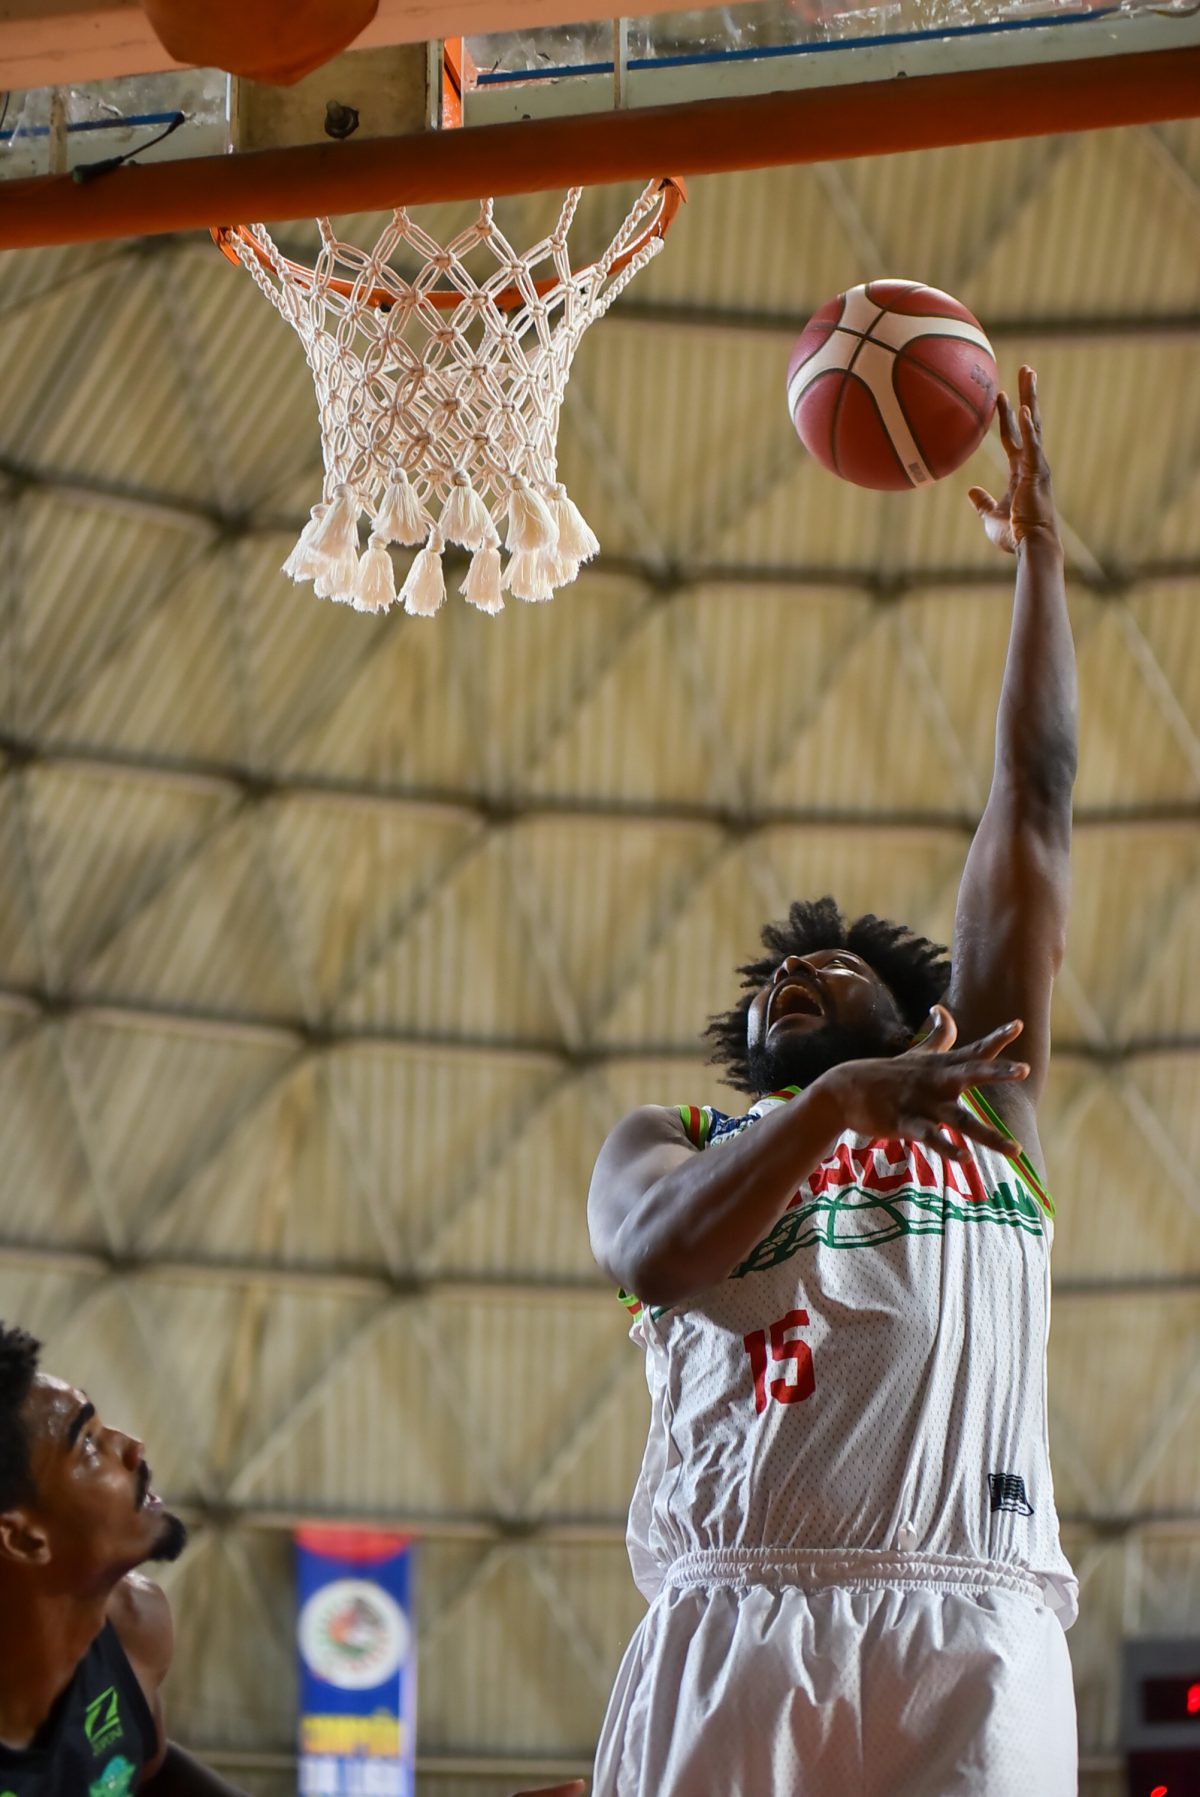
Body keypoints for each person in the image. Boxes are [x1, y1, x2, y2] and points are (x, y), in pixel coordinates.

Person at [587, 367, 1078, 1796]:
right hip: (736, 1618)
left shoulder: (986, 1101)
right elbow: (652, 1255)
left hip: (975, 1625)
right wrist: (831, 1108)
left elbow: (1035, 801)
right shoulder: (678, 1134)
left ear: (929, 1022)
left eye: (831, 968)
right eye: (772, 984)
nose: (789, 976)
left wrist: (1041, 564)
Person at [0, 1322, 584, 1797]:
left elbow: (151, 1774)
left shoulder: (136, 1630)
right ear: (24, 1538)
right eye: (86, 1443)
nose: (132, 1447)